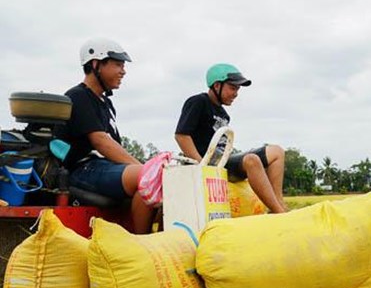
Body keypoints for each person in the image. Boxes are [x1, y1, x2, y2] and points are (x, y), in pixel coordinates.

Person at [58, 38, 155, 234]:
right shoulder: (78, 96)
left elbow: (113, 145)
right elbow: (101, 142)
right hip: (82, 168)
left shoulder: (105, 103)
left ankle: (154, 234)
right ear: (96, 64)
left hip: (103, 167)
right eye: (118, 64)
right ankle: (141, 243)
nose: (123, 71)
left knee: (163, 177)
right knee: (149, 177)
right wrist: (144, 169)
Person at [174, 64, 287, 214]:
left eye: (238, 89)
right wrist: (203, 166)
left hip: (224, 161)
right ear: (217, 85)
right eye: (233, 88)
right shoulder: (198, 102)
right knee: (251, 160)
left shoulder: (224, 114)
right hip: (207, 163)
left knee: (277, 152)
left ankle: (278, 205)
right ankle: (279, 212)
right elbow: (181, 136)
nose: (236, 94)